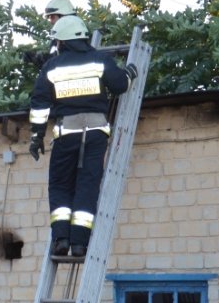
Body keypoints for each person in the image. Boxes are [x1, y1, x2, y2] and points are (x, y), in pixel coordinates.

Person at [28, 15, 137, 257]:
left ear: (62, 41)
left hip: (67, 134)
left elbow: (39, 104)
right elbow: (119, 85)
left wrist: (36, 136)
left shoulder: (52, 67)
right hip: (96, 133)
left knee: (60, 185)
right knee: (87, 185)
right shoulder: (99, 60)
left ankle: (61, 240)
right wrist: (130, 73)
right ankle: (79, 243)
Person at [24, 0, 76, 69]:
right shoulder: (57, 40)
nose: (51, 21)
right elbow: (52, 63)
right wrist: (35, 58)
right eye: (49, 17)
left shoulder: (77, 38)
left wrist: (39, 58)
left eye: (52, 17)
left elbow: (64, 61)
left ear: (63, 16)